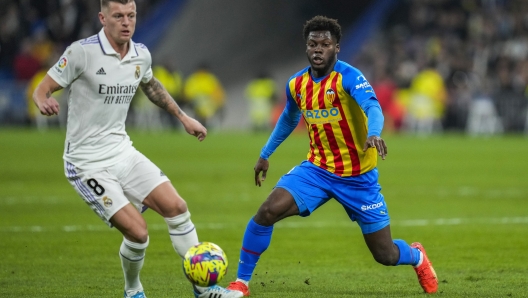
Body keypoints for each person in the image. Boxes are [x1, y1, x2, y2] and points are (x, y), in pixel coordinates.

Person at [32, 1, 242, 298]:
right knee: (139, 233)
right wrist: (43, 100)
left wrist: (183, 118)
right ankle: (133, 291)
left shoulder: (140, 54)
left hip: (122, 151)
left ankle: (203, 290)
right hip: (86, 163)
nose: (126, 22)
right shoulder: (82, 52)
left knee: (177, 208)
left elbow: (151, 84)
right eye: (118, 16)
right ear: (103, 18)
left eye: (130, 15)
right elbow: (42, 88)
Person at [226, 16, 438, 296]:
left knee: (384, 254)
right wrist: (265, 154)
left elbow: (373, 107)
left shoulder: (349, 77)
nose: (318, 49)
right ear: (306, 47)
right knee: (266, 212)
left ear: (337, 48)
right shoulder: (297, 84)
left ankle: (416, 256)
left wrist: (374, 132)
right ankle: (241, 283)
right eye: (313, 44)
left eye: (325, 44)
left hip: (358, 178)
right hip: (318, 170)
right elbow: (289, 119)